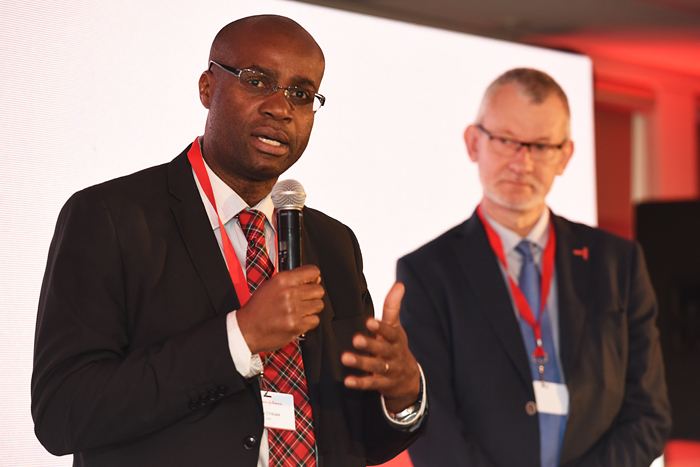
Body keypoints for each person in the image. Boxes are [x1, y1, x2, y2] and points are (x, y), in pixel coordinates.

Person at [32, 15, 426, 467]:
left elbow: (356, 439)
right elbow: (63, 413)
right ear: (206, 87)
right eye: (258, 80)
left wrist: (401, 393)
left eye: (301, 93)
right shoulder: (109, 217)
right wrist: (239, 337)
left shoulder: (333, 242)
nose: (281, 108)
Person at [398, 68, 670, 467]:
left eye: (541, 146)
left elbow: (648, 414)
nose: (522, 163)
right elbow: (430, 420)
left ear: (565, 156)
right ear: (474, 143)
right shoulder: (428, 272)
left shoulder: (618, 263)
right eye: (506, 140)